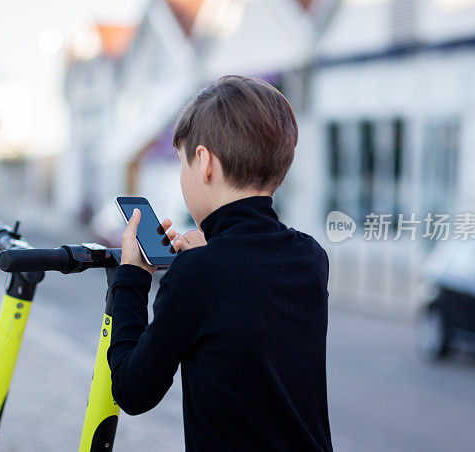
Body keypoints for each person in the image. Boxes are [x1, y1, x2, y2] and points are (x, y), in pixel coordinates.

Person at [107, 75, 332, 451]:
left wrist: (133, 274)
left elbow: (132, 390)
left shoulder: (196, 275)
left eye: (182, 164)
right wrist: (212, 251)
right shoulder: (310, 257)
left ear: (204, 162)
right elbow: (244, 290)